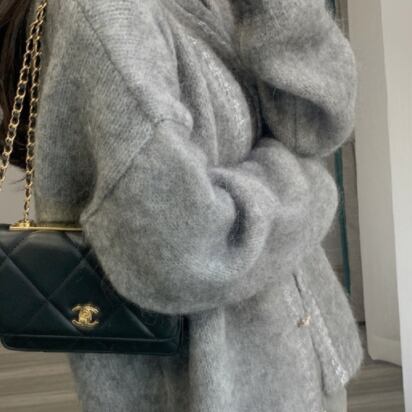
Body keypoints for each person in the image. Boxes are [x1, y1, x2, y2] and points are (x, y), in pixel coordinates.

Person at [0, 0, 363, 410]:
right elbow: (186, 249)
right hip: (221, 393)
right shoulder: (108, 13)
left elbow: (312, 128)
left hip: (305, 357)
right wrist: (304, 181)